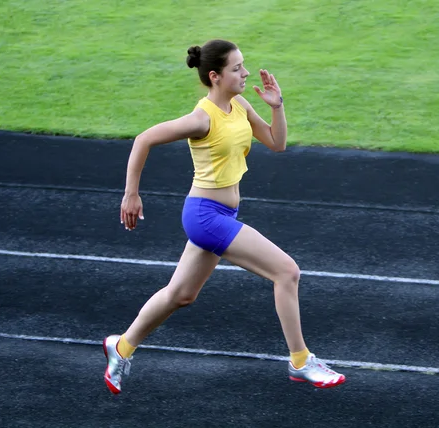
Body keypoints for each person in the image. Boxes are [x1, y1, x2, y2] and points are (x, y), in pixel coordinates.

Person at [103, 39, 346, 394]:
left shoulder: (240, 104)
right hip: (205, 215)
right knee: (287, 272)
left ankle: (121, 347)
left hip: (223, 212)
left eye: (243, 65)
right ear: (215, 76)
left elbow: (276, 144)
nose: (246, 72)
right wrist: (131, 194)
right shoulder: (201, 118)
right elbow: (143, 139)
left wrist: (277, 107)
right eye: (237, 68)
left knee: (181, 294)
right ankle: (300, 361)